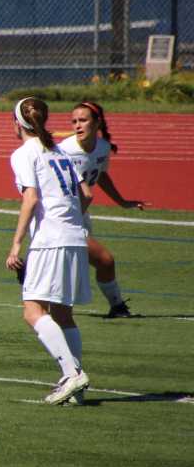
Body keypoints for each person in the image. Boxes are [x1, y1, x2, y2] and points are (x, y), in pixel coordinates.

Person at [5, 97, 92, 406]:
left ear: (17, 123)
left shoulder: (24, 153)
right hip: (74, 237)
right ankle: (76, 388)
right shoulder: (61, 151)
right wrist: (71, 220)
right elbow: (86, 194)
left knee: (32, 311)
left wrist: (16, 243)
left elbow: (30, 197)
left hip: (50, 240)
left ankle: (71, 374)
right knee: (63, 312)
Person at [59, 101, 145, 318]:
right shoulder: (65, 150)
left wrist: (122, 201)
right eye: (74, 121)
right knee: (104, 260)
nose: (77, 125)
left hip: (80, 214)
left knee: (87, 264)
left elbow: (100, 174)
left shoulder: (103, 147)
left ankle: (115, 307)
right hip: (63, 217)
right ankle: (117, 307)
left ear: (97, 123)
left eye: (83, 120)